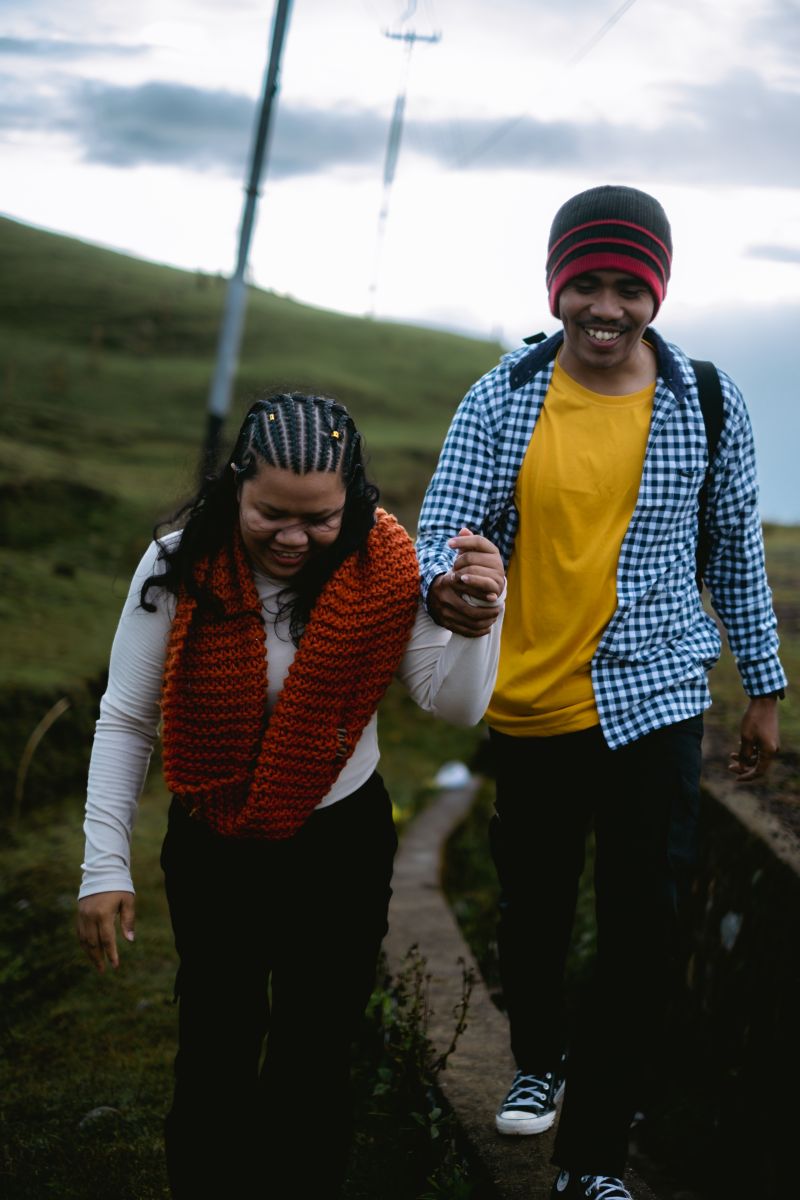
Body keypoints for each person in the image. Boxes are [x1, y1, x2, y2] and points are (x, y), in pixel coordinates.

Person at [415, 185, 787, 1200]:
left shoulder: (706, 400)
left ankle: (590, 1160)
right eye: (587, 283)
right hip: (532, 701)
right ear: (555, 287)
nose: (606, 308)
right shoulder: (502, 397)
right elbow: (440, 526)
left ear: (657, 293)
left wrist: (762, 684)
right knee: (534, 908)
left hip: (654, 695)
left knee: (643, 925)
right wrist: (448, 585)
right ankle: (539, 1057)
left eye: (630, 287)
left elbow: (733, 549)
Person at [76, 392, 505, 1199]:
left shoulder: (389, 571)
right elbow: (127, 719)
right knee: (217, 1044)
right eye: (270, 514)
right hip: (213, 839)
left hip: (340, 842)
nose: (294, 538)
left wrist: (484, 617)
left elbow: (453, 706)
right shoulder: (178, 562)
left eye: (320, 519)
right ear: (235, 485)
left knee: (316, 1050)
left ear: (354, 501)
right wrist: (104, 866)